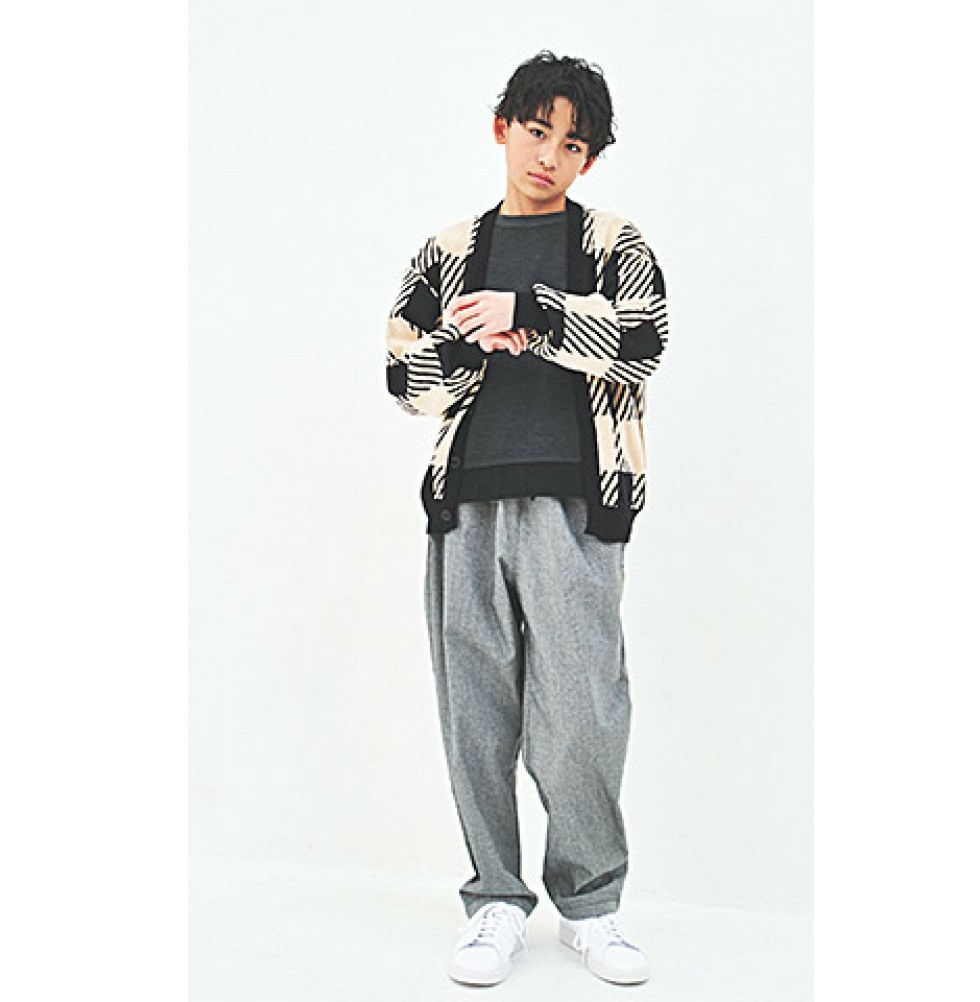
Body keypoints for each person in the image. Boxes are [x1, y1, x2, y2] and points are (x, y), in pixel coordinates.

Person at [383, 50, 670, 987]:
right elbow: (404, 380)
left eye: (572, 144)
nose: (550, 155)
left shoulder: (616, 244)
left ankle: (591, 906)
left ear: (591, 159)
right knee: (475, 712)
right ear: (503, 128)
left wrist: (534, 315)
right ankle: (495, 903)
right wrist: (472, 347)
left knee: (582, 712)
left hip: (577, 503)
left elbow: (642, 344)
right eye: (537, 131)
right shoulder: (446, 250)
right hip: (464, 503)